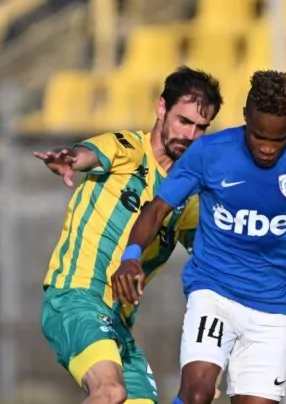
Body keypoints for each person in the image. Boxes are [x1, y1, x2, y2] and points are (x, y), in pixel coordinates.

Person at [112, 70, 286, 404]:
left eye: (278, 140)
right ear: (245, 116)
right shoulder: (210, 153)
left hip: (269, 309)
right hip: (213, 292)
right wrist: (131, 257)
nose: (267, 149)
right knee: (197, 392)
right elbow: (157, 209)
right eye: (258, 136)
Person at [35, 66, 223, 404]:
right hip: (76, 297)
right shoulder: (128, 149)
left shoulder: (189, 197)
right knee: (110, 392)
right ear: (161, 108)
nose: (190, 135)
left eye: (201, 127)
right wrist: (70, 159)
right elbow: (88, 154)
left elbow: (215, 261)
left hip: (117, 325)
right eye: (184, 121)